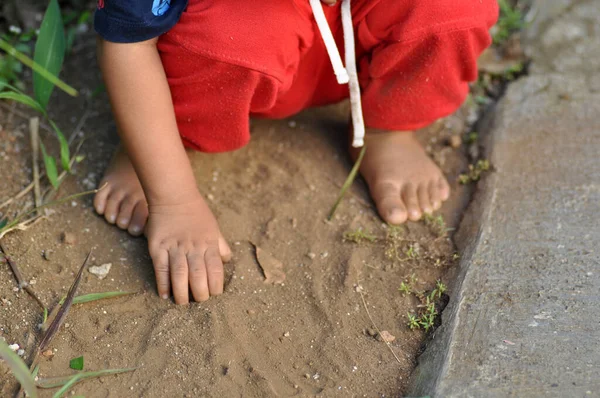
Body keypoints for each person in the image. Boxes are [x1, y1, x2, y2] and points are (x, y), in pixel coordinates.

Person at [92, 0, 498, 304]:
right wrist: (173, 199)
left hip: (352, 42)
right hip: (238, 46)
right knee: (231, 36)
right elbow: (130, 41)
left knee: (451, 8)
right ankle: (162, 142)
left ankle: (388, 129)